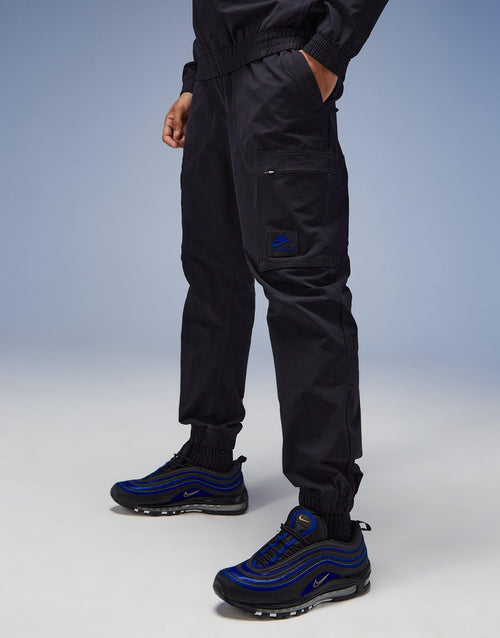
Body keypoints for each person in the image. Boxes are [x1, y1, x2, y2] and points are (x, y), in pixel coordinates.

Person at [111, 0, 389, 619]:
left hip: (279, 67)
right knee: (212, 273)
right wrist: (197, 80)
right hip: (217, 77)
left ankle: (329, 528)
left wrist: (326, 53)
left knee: (303, 288)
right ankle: (210, 460)